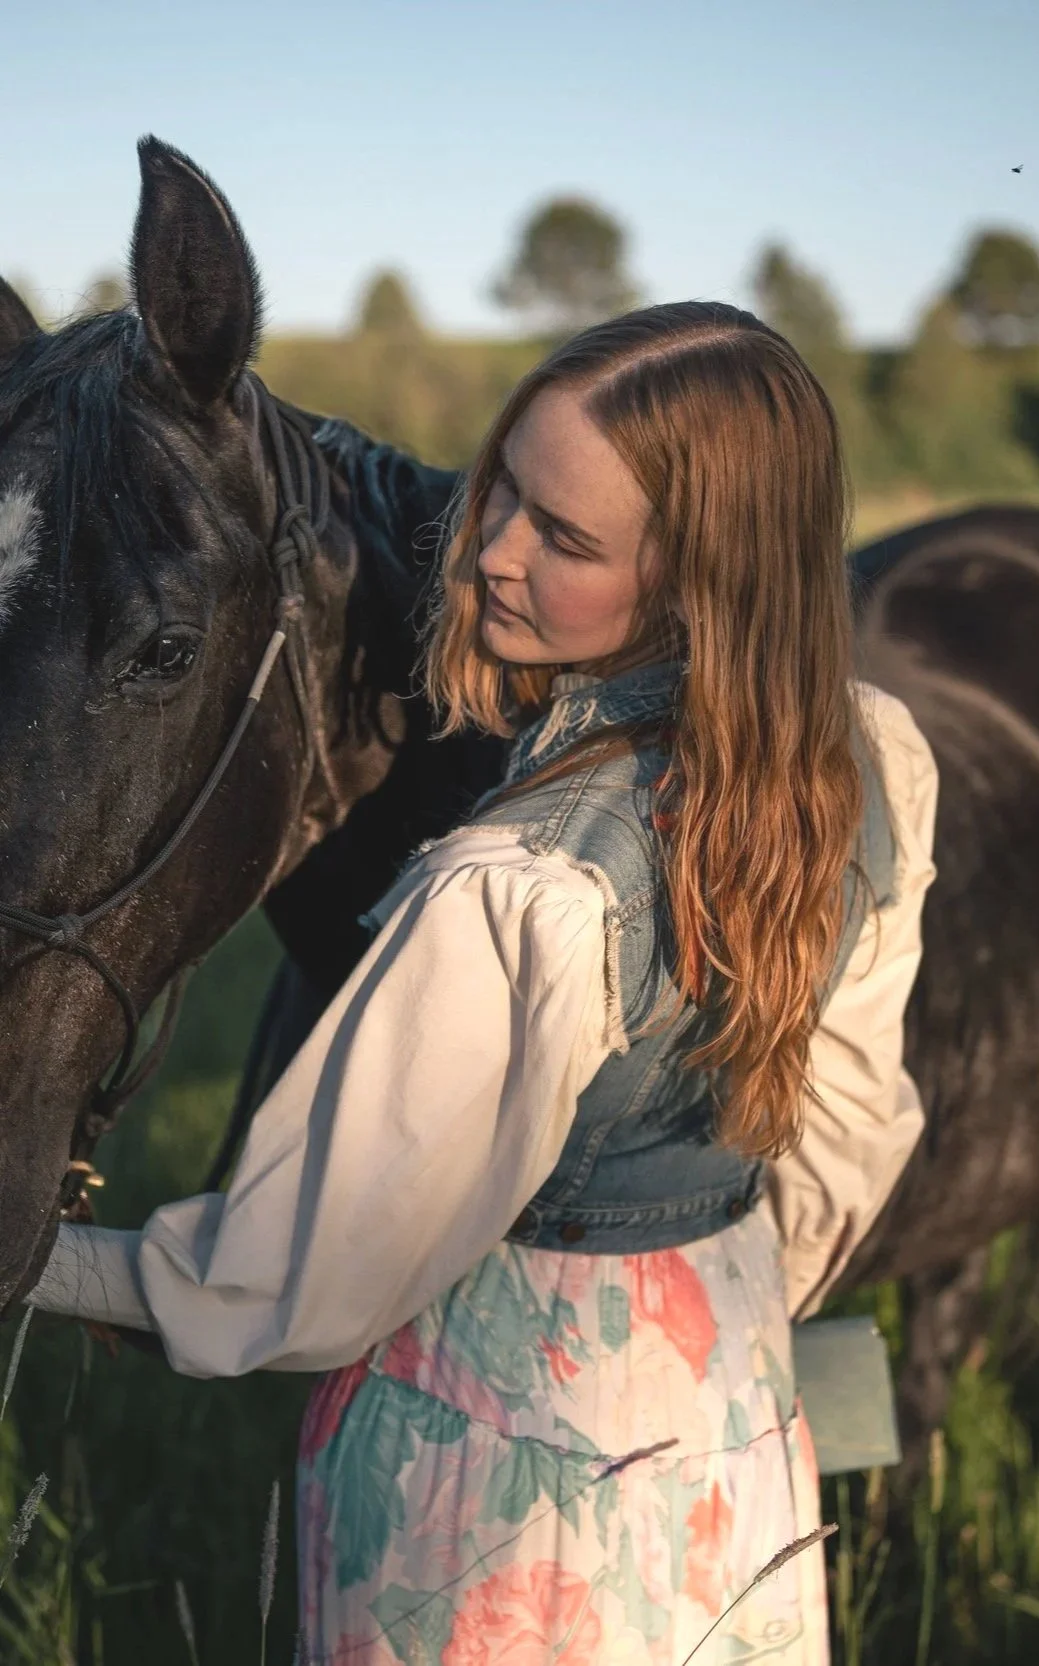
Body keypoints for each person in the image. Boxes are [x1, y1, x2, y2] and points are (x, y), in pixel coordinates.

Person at [30, 301, 938, 1664]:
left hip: (490, 1499)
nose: (491, 551)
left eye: (563, 538)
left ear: (703, 577)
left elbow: (289, 1283)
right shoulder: (869, 756)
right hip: (727, 1435)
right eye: (501, 481)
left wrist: (44, 1258)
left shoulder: (512, 889)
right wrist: (709, 1317)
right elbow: (855, 1119)